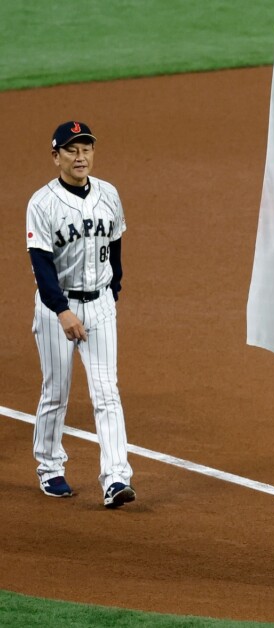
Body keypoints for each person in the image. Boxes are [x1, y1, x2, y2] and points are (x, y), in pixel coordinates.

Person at [25, 121, 136, 509]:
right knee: (56, 391)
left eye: (86, 148)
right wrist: (63, 311)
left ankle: (116, 477)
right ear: (56, 157)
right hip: (58, 307)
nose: (80, 156)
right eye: (71, 150)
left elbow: (116, 247)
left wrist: (112, 293)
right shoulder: (42, 203)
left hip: (101, 303)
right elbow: (41, 265)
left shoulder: (109, 194)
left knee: (107, 392)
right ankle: (50, 466)